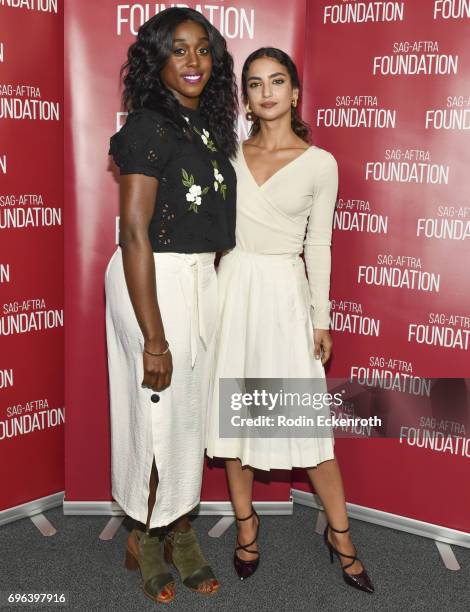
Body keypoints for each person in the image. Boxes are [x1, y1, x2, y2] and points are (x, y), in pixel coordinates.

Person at [206, 47, 374, 593]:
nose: (267, 92)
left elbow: (319, 245)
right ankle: (246, 529)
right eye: (255, 84)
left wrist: (319, 319)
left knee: (306, 426)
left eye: (277, 81)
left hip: (283, 293)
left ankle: (341, 536)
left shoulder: (320, 164)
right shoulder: (227, 155)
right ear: (247, 97)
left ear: (295, 91)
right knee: (238, 417)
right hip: (233, 289)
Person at [105, 7, 237, 604]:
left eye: (203, 50)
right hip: (150, 279)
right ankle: (147, 535)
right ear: (156, 59)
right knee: (155, 413)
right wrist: (153, 338)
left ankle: (178, 527)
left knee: (185, 414)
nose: (193, 61)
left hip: (196, 278)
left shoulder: (207, 127)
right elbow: (133, 233)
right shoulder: (148, 127)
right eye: (178, 49)